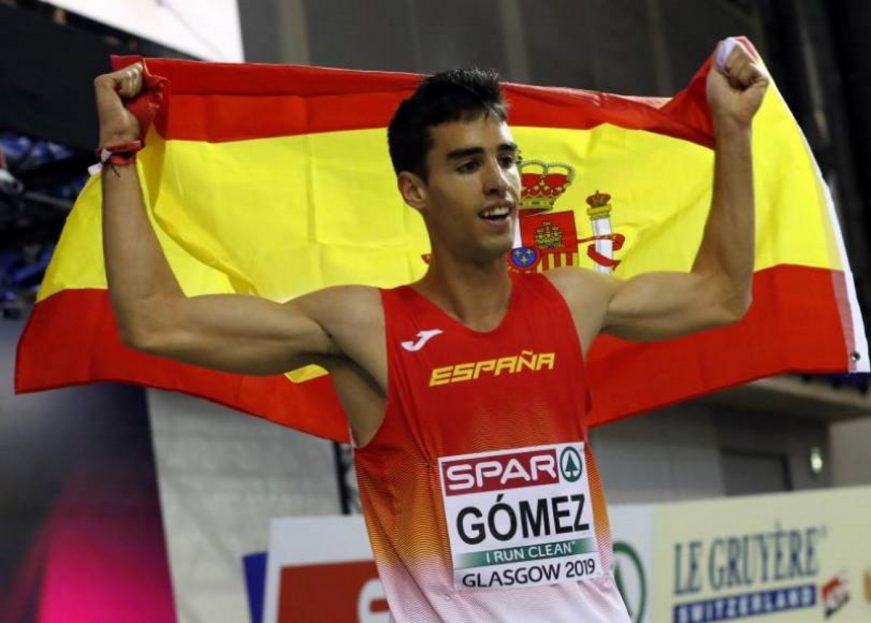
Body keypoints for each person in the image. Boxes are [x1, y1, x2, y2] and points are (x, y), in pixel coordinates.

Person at [93, 39, 768, 622]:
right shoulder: (364, 326)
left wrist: (731, 130)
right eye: (467, 164)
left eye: (506, 158)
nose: (499, 182)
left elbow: (719, 293)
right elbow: (155, 319)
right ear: (414, 190)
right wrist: (122, 153)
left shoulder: (574, 297)